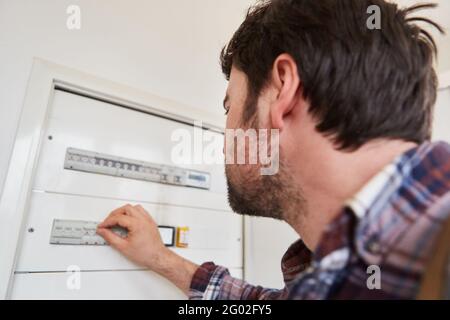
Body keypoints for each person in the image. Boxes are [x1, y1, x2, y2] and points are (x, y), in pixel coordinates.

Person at [96, 0, 450, 299]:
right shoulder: (341, 274)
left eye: (228, 106)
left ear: (282, 91)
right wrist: (161, 258)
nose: (225, 136)